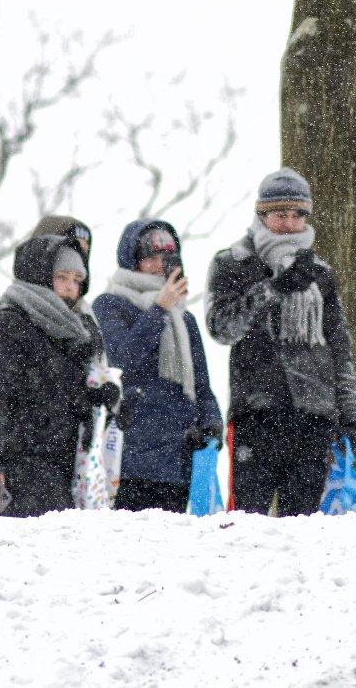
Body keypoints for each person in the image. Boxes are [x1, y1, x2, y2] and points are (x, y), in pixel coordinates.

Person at [206, 168, 356, 516]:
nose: (289, 223)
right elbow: (222, 328)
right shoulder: (231, 262)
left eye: (297, 215)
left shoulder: (319, 272)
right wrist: (271, 290)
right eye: (280, 214)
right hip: (256, 412)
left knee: (304, 529)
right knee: (245, 525)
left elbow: (339, 346)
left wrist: (351, 409)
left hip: (314, 417)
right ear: (261, 215)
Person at [0, 235, 119, 517]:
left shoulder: (71, 332)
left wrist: (99, 400)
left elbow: (63, 399)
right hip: (14, 469)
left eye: (77, 280)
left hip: (60, 469)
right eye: (62, 276)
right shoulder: (9, 324)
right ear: (38, 275)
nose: (70, 287)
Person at [94, 219, 224, 512]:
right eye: (149, 258)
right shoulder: (110, 304)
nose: (157, 266)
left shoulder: (184, 319)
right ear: (132, 260)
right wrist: (159, 309)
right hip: (131, 460)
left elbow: (201, 385)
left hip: (178, 459)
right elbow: (122, 361)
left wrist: (212, 423)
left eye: (165, 258)